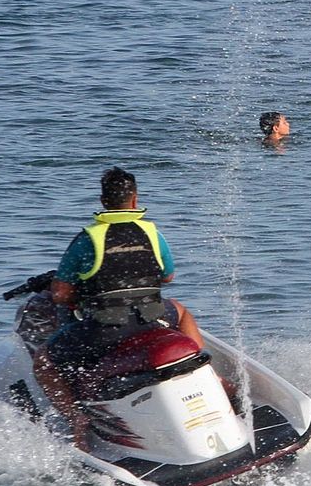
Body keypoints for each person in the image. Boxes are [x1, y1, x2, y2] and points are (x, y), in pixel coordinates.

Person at [35, 168, 201, 448]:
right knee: (182, 311)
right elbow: (168, 276)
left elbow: (61, 294)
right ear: (134, 200)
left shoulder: (88, 238)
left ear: (103, 201)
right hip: (152, 320)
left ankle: (76, 419)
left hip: (106, 331)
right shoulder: (151, 232)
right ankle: (203, 368)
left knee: (43, 361)